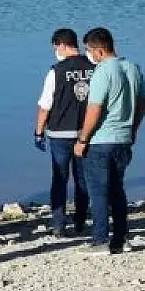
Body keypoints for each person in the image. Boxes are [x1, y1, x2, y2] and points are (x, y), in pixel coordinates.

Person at [74, 27, 145, 255]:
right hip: (123, 138)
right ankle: (121, 238)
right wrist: (133, 129)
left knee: (98, 191)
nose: (89, 55)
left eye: (89, 50)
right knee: (118, 190)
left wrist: (83, 138)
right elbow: (143, 102)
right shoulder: (133, 68)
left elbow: (95, 108)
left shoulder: (103, 71)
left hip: (101, 140)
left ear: (98, 50)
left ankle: (100, 240)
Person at [34, 28, 96, 237]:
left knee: (59, 179)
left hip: (60, 133)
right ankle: (80, 222)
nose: (55, 51)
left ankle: (59, 224)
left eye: (55, 47)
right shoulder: (94, 67)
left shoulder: (56, 71)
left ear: (60, 45)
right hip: (85, 133)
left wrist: (38, 132)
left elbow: (45, 105)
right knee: (82, 179)